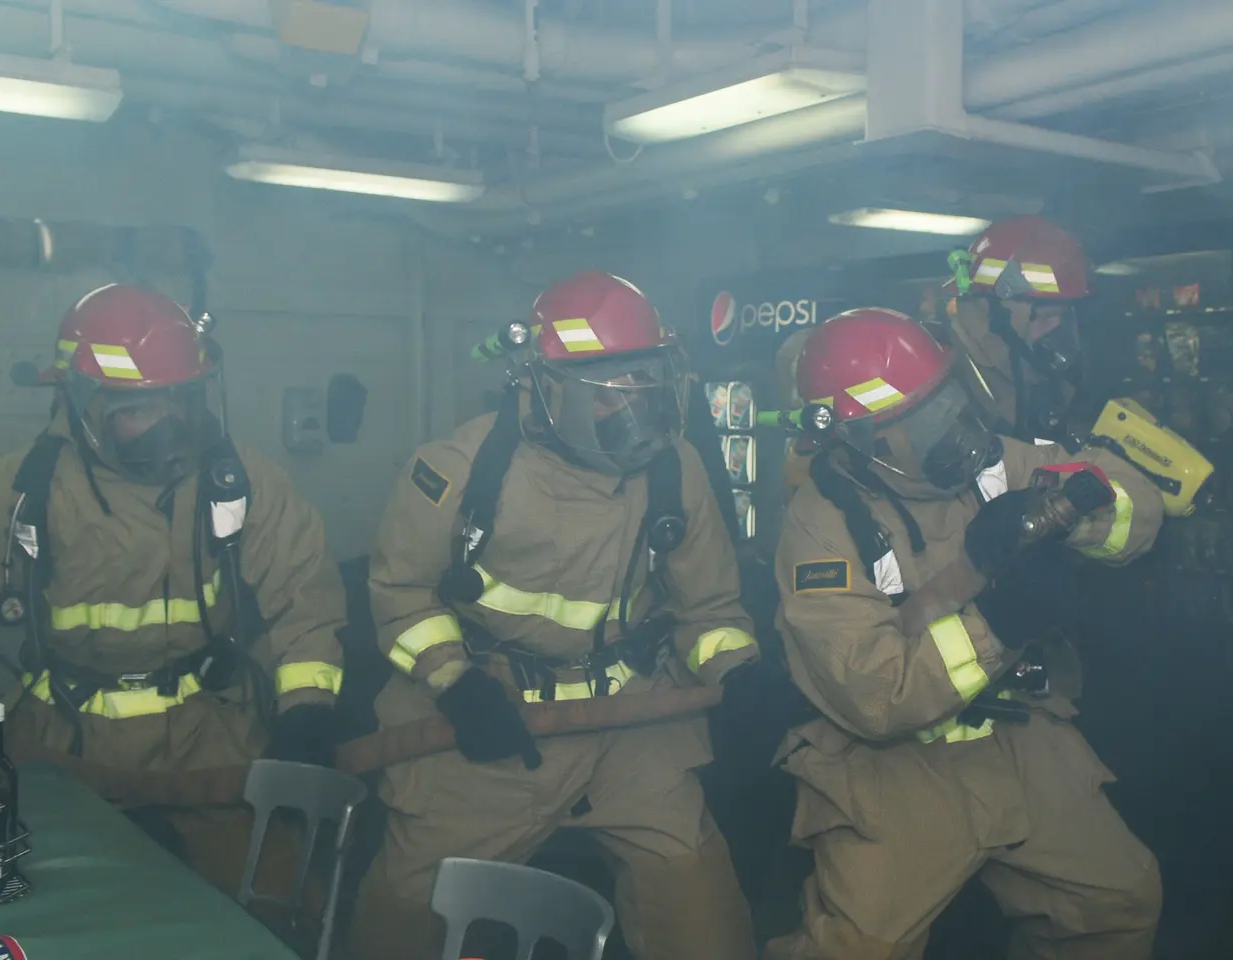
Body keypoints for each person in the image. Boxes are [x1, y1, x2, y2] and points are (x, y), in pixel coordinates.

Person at [350, 271, 806, 960]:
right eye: (613, 393)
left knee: (700, 910)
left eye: (649, 384)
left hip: (633, 722)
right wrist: (456, 683)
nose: (638, 409)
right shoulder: (458, 470)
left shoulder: (674, 468)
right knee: (410, 913)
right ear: (545, 387)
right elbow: (400, 595)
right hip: (495, 721)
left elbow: (707, 608)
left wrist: (739, 670)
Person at [765, 307, 1164, 960]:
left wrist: (1088, 513)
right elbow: (874, 693)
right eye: (919, 424)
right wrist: (997, 621)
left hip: (1018, 732)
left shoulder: (996, 463)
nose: (953, 430)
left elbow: (1127, 493)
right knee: (857, 947)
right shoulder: (821, 527)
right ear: (857, 444)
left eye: (951, 401)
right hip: (895, 770)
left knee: (1115, 902)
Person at [0, 283, 346, 895]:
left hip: (211, 738)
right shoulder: (16, 493)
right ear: (80, 404)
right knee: (57, 909)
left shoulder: (240, 481)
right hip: (61, 748)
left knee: (269, 897)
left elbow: (305, 603)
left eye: (178, 405)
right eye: (135, 410)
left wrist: (307, 716)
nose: (164, 431)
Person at [944, 215, 1090, 444]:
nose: (1056, 330)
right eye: (1045, 317)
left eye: (1062, 317)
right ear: (990, 316)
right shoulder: (941, 380)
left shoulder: (1054, 382)